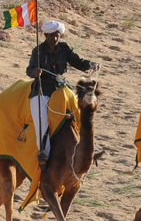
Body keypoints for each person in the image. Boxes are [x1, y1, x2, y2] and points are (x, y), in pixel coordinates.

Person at [26, 20, 100, 167]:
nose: (54, 37)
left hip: (61, 86)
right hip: (42, 88)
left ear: (59, 35)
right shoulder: (38, 51)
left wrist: (90, 64)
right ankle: (43, 151)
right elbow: (29, 70)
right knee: (41, 116)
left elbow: (78, 62)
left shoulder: (64, 48)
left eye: (56, 35)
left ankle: (90, 147)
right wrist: (35, 72)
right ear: (45, 34)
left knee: (80, 111)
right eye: (51, 35)